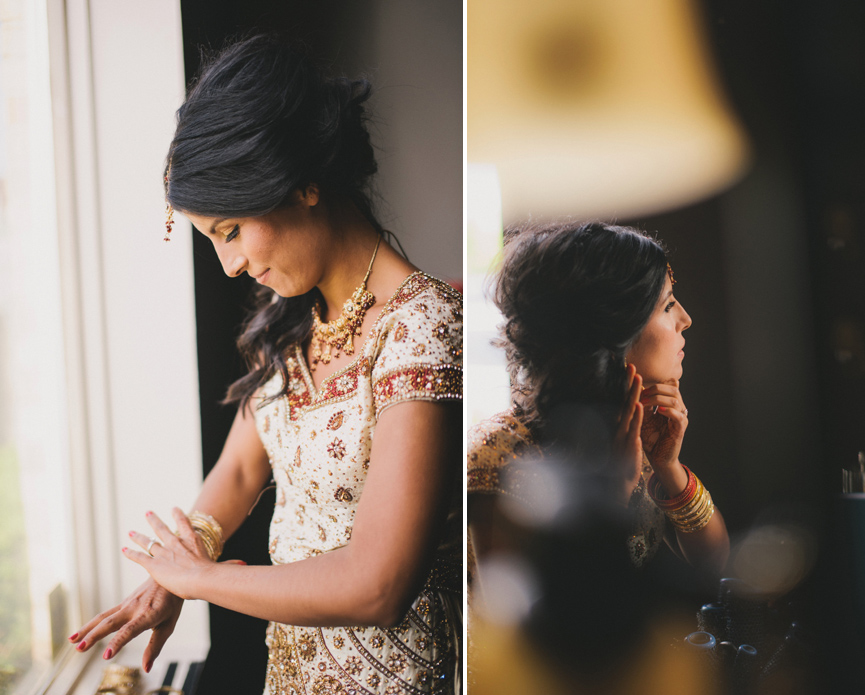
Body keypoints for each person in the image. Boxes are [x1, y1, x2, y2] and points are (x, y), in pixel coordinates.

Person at [69, 36, 462, 694]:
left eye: (230, 231)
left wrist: (200, 579)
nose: (229, 264)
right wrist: (174, 568)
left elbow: (380, 584)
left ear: (302, 182)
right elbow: (243, 465)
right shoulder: (291, 318)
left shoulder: (420, 328)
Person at [468, 222, 729, 595]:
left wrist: (669, 468)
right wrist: (611, 498)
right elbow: (531, 633)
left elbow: (712, 567)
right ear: (613, 330)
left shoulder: (631, 425)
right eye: (668, 305)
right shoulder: (498, 457)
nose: (686, 319)